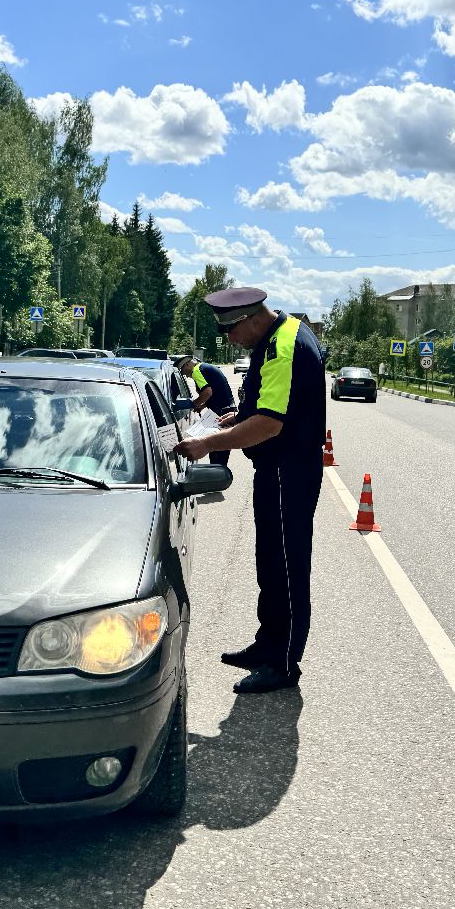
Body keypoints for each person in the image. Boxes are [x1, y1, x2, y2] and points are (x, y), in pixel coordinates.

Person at [173, 287, 325, 694]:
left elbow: (271, 423)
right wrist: (240, 413)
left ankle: (284, 663)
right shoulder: (277, 335)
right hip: (276, 469)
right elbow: (271, 404)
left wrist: (206, 444)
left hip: (287, 471)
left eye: (232, 332)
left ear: (251, 319)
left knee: (288, 568)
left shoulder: (282, 347)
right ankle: (267, 644)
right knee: (270, 563)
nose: (230, 341)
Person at [175, 354, 237, 466]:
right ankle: (218, 477)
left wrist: (194, 404)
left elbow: (207, 392)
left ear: (188, 364)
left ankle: (216, 478)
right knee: (222, 449)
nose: (186, 375)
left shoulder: (197, 371)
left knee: (216, 452)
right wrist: (203, 406)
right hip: (227, 411)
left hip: (221, 414)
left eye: (183, 371)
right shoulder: (205, 367)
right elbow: (216, 392)